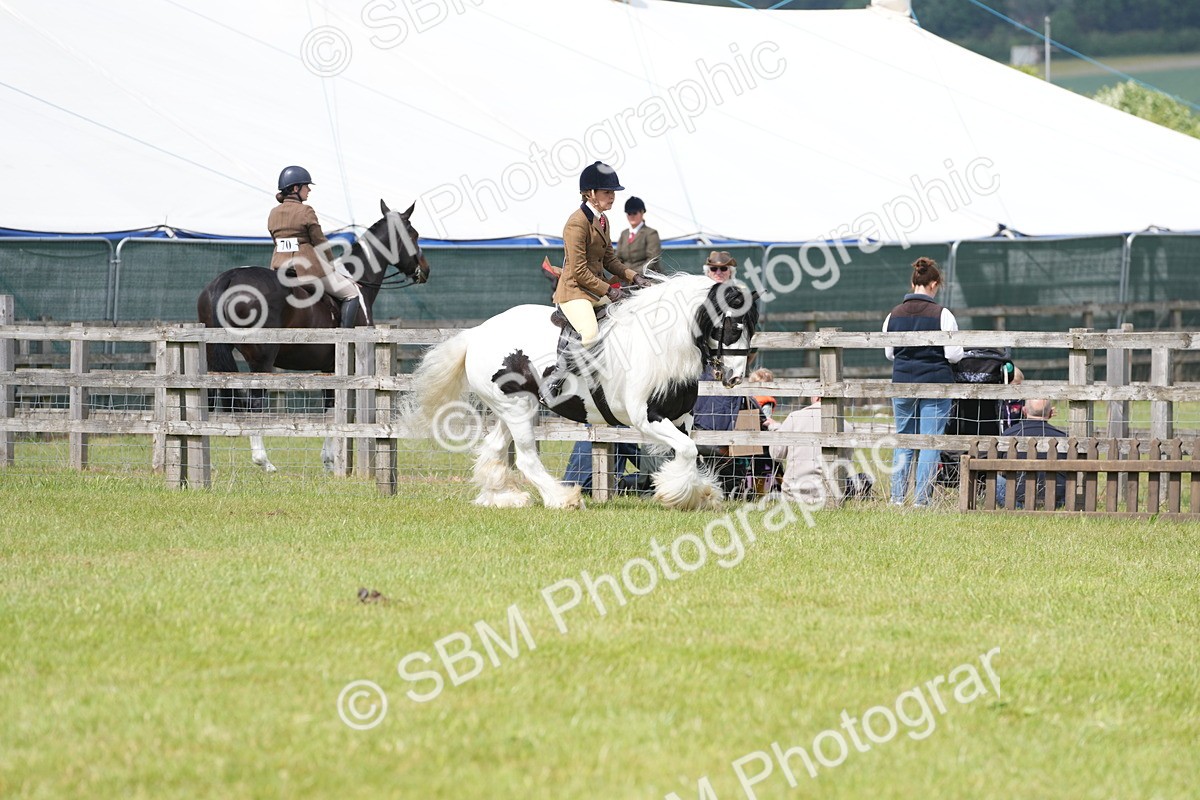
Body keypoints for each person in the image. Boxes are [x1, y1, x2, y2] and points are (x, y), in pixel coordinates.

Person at [883, 256, 964, 507]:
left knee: (904, 438)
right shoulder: (943, 314)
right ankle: (922, 500)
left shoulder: (892, 315)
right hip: (935, 383)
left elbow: (889, 353)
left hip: (903, 383)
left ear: (913, 282)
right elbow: (953, 354)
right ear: (934, 284)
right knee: (931, 441)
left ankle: (896, 498)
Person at [268, 165, 365, 328]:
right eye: (306, 186)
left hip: (279, 269)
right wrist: (332, 265)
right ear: (295, 188)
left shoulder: (273, 213)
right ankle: (344, 340)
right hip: (307, 271)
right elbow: (320, 242)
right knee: (351, 293)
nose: (309, 190)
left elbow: (276, 241)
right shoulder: (306, 211)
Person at [995, 398, 1067, 509]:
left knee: (996, 479)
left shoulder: (1010, 434)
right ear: (1051, 413)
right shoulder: (1062, 437)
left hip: (1015, 499)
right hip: (1054, 501)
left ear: (1024, 411)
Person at [616, 196, 662, 275]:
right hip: (625, 277)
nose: (632, 216)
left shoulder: (651, 233)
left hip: (647, 277)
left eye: (635, 213)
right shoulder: (624, 234)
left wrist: (634, 275)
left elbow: (652, 259)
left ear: (642, 213)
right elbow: (618, 258)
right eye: (629, 213)